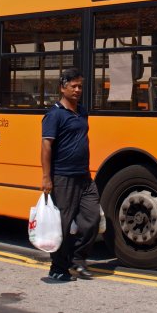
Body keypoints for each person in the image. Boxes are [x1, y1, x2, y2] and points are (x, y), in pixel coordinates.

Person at [40, 68, 100, 283]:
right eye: (73, 86)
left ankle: (78, 259)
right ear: (62, 88)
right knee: (63, 225)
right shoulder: (54, 114)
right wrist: (47, 177)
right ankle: (57, 267)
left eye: (80, 86)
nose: (77, 90)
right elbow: (46, 146)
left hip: (84, 176)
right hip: (63, 178)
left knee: (92, 219)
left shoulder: (82, 112)